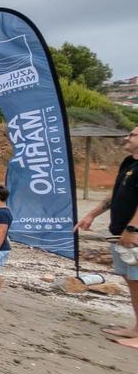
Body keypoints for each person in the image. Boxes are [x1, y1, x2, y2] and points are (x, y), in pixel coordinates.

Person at [77, 126, 138, 346]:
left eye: (132, 134)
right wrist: (92, 214)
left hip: (133, 235)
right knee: (131, 281)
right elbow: (116, 194)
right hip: (119, 233)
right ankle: (135, 328)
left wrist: (132, 230)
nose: (127, 138)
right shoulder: (129, 163)